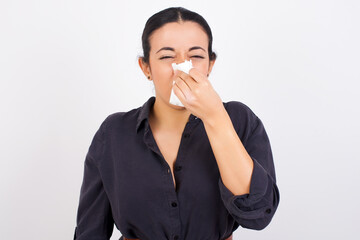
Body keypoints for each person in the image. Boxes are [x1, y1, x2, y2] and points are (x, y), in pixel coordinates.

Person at [74, 7, 280, 240]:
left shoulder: (239, 120)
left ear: (210, 65)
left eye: (196, 56)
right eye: (166, 56)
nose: (182, 68)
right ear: (146, 68)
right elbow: (89, 232)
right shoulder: (114, 133)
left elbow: (258, 215)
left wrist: (215, 117)